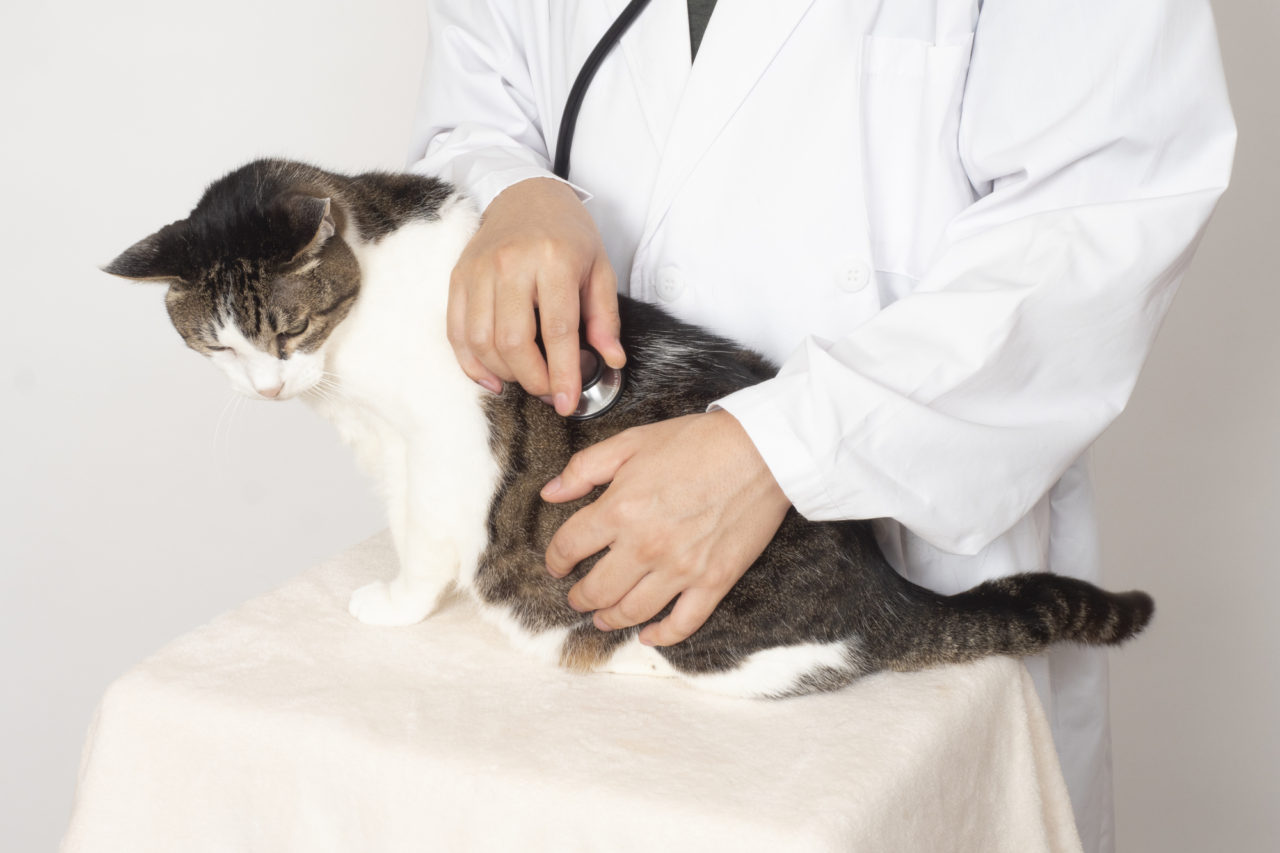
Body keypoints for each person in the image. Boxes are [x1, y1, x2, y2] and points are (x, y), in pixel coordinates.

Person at [407, 2, 1235, 850]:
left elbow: (1107, 209)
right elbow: (472, 107)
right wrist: (512, 192)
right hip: (577, 570)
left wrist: (785, 446)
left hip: (903, 552)